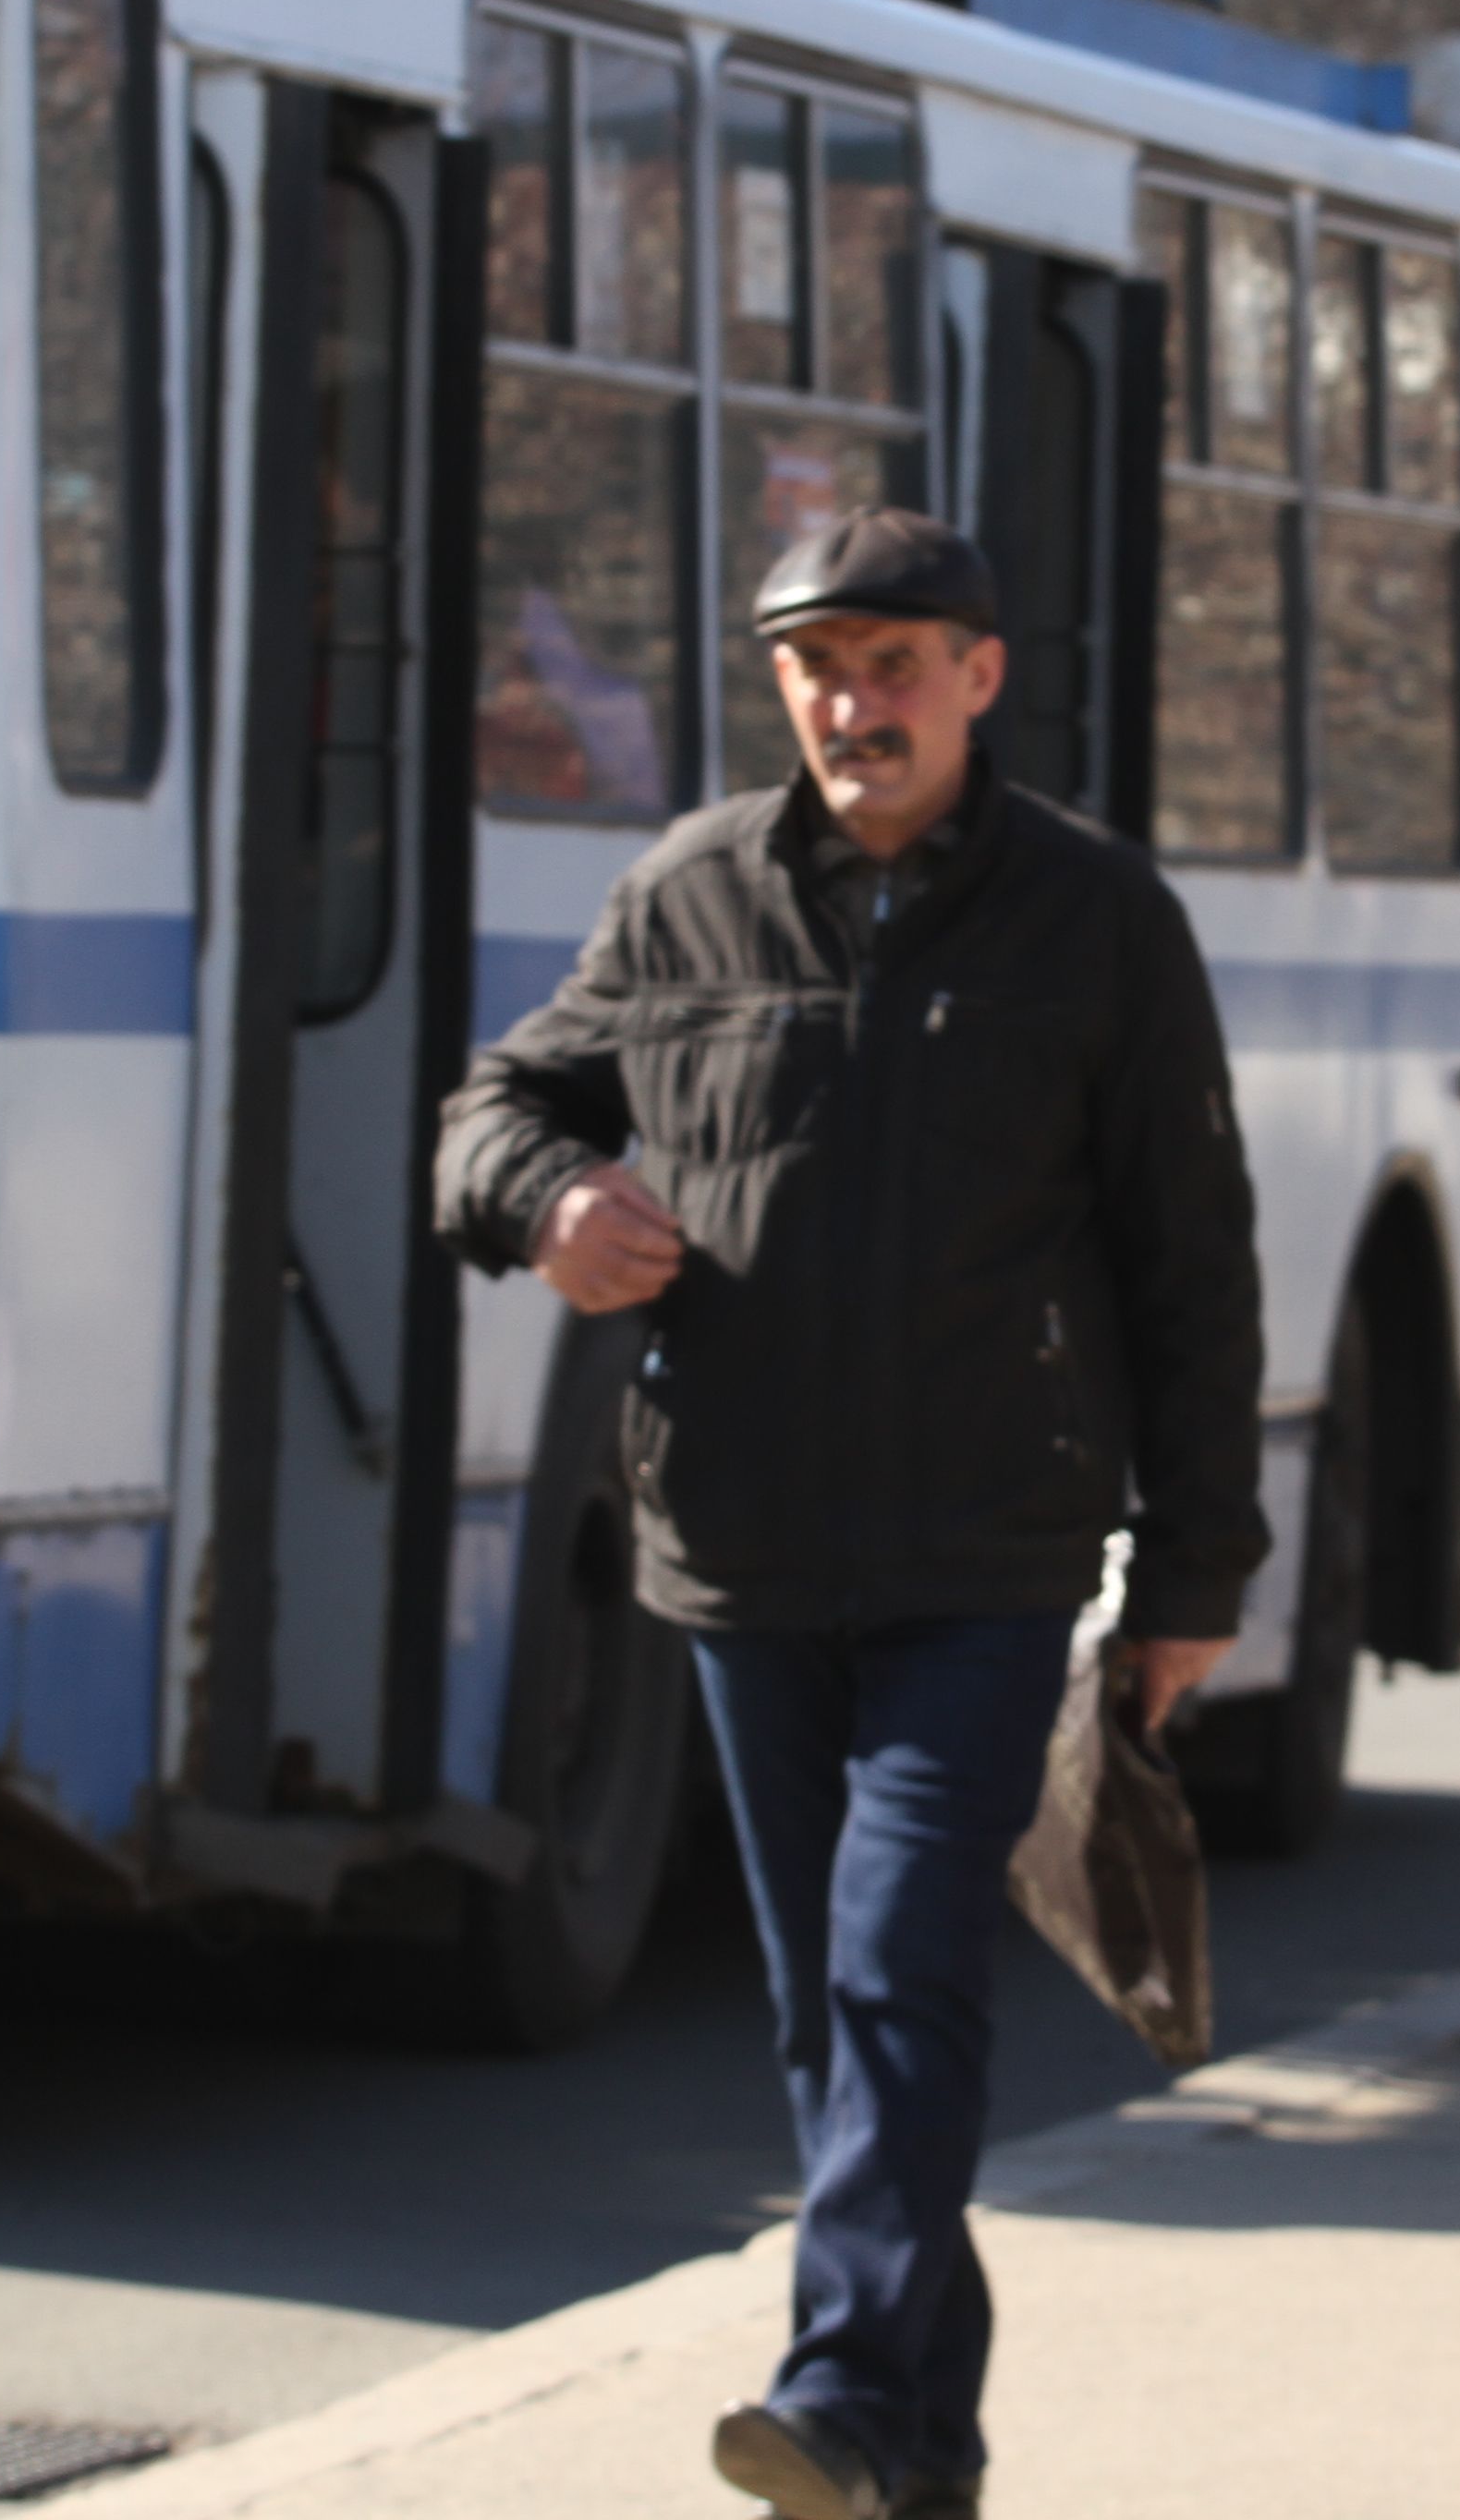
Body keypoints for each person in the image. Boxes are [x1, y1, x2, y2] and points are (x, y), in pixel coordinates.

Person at [434, 508, 1264, 2520]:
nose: (850, 700)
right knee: (827, 2002)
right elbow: (497, 1101)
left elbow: (1190, 1258)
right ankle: (916, 2452)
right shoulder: (694, 892)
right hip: (737, 1543)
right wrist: (543, 1200)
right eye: (818, 663)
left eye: (894, 663)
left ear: (979, 678)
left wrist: (1193, 1565)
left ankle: (832, 2384)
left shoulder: (1095, 918)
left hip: (987, 1554)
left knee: (898, 1966)